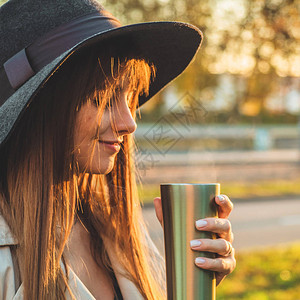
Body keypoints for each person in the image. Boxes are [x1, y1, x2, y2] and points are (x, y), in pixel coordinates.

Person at [0, 0, 236, 299]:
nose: (129, 123)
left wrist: (193, 284)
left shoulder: (116, 227)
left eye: (131, 97)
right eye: (104, 97)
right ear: (40, 107)